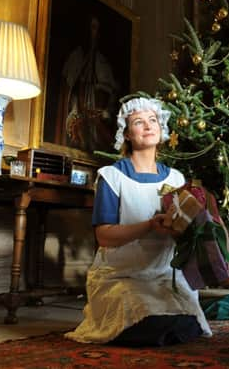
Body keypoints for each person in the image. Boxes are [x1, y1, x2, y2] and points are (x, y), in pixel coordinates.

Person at [65, 97, 211, 345]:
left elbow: (184, 232)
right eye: (138, 122)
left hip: (165, 276)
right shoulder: (111, 177)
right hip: (121, 276)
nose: (148, 125)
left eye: (153, 120)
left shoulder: (176, 178)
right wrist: (148, 226)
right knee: (142, 315)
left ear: (161, 129)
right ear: (127, 134)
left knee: (191, 321)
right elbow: (104, 236)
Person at [55, 14, 119, 152]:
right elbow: (70, 90)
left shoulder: (103, 63)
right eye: (91, 28)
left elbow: (111, 91)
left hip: (96, 114)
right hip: (80, 110)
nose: (93, 33)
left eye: (95, 28)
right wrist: (74, 110)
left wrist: (106, 111)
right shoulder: (76, 57)